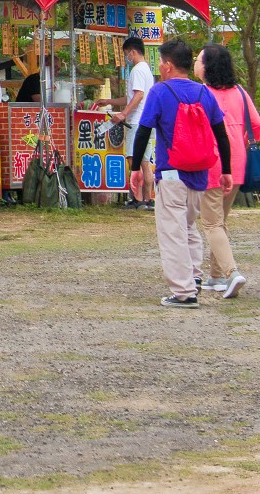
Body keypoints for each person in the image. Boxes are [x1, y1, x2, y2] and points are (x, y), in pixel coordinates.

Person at [130, 37, 231, 308]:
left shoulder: (161, 92)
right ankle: (194, 277)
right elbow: (221, 134)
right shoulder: (204, 93)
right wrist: (227, 171)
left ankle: (184, 292)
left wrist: (135, 168)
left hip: (172, 173)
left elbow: (143, 131)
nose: (160, 66)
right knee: (188, 227)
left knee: (172, 231)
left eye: (162, 62)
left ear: (169, 65)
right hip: (199, 174)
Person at [194, 43, 250, 299]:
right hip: (238, 163)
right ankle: (216, 276)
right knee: (220, 221)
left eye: (199, 59)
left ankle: (231, 272)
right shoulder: (240, 92)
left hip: (213, 163)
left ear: (207, 67)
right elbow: (256, 124)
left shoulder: (202, 93)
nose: (196, 63)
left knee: (212, 222)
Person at [101, 36, 156, 209]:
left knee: (134, 158)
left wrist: (124, 113)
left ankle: (138, 198)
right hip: (146, 121)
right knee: (145, 161)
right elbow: (131, 97)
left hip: (137, 122)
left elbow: (138, 96)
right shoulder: (146, 69)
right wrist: (110, 101)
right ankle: (148, 199)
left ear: (133, 52)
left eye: (126, 54)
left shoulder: (137, 70)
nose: (126, 58)